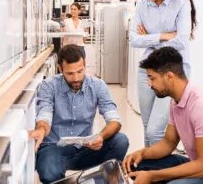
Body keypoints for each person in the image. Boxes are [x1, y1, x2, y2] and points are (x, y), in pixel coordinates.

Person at [122, 47, 203, 184]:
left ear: (169, 77)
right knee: (139, 166)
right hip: (201, 166)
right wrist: (142, 153)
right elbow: (168, 143)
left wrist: (153, 176)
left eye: (152, 78)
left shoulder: (202, 105)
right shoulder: (175, 100)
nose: (149, 84)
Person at [29, 44, 129, 184]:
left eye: (80, 71)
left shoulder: (97, 86)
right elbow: (44, 115)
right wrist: (41, 129)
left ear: (85, 65)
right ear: (60, 69)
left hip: (86, 148)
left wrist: (100, 136)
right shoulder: (48, 86)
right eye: (70, 73)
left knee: (120, 141)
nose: (76, 78)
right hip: (54, 147)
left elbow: (114, 120)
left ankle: (105, 179)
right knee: (48, 174)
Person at [129, 0, 197, 147]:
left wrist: (149, 40)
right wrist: (163, 36)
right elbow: (133, 39)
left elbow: (182, 40)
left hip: (171, 72)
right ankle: (149, 171)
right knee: (146, 127)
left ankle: (158, 174)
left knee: (155, 131)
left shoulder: (181, 3)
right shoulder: (142, 4)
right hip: (146, 71)